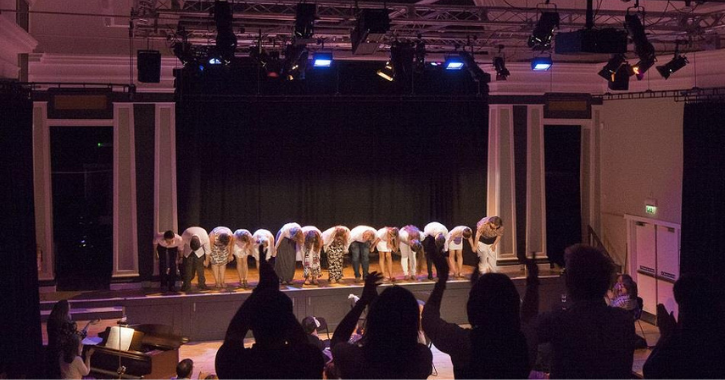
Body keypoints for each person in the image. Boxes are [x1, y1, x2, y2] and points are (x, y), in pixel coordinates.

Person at [422, 243, 537, 378]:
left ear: (472, 307)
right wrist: (533, 281)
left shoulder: (463, 343)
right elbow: (529, 316)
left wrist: (442, 280)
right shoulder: (526, 339)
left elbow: (429, 319)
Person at [215, 246, 326, 378]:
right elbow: (301, 342)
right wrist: (274, 293)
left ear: (251, 324)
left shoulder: (239, 365)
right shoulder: (307, 360)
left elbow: (234, 334)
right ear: (288, 323)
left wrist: (260, 292)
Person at [535, 244, 635, 378]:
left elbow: (521, 335)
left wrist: (532, 284)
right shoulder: (624, 321)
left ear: (570, 282)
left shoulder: (559, 321)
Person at [330, 273, 432, 379]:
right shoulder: (421, 358)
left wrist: (363, 302)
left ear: (373, 320)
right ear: (413, 321)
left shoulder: (353, 358)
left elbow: (338, 339)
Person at [642, 274, 725, 378]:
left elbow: (651, 371)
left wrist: (667, 336)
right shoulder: (716, 337)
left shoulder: (687, 343)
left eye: (682, 309)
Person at [46, 300, 99, 378]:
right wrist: (89, 324)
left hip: (52, 354)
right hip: (67, 355)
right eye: (69, 310)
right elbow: (77, 337)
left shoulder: (51, 320)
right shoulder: (67, 324)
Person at [181, 226, 210, 291]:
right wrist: (180, 257)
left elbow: (207, 250)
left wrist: (207, 261)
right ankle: (186, 286)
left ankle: (202, 285)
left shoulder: (204, 236)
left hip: (200, 252)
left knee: (200, 268)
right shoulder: (186, 234)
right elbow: (181, 247)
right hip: (188, 251)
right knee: (188, 269)